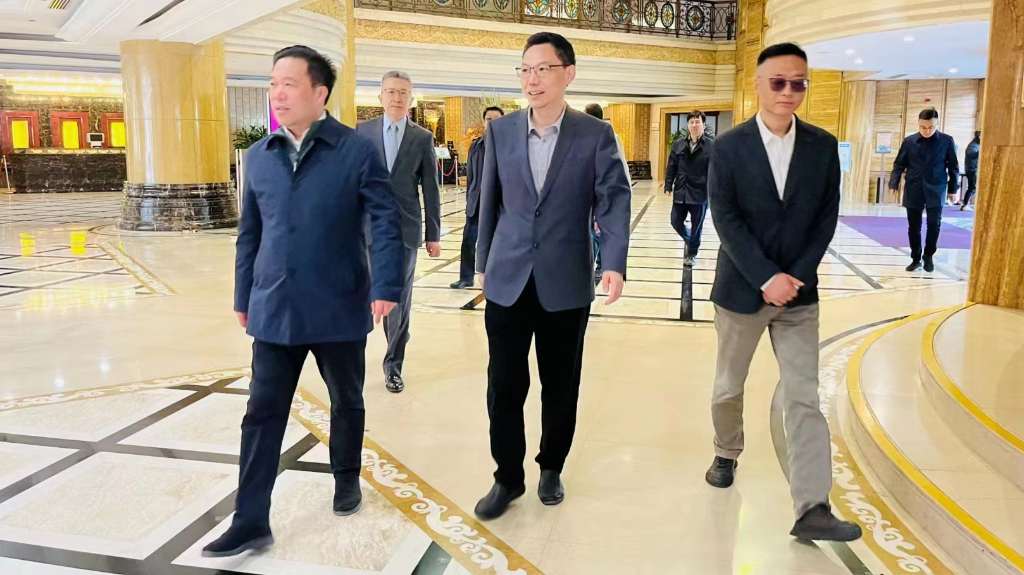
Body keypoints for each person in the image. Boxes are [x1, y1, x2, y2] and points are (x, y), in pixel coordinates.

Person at [203, 45, 404, 558]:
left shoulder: (355, 151)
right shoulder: (260, 156)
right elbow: (250, 234)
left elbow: (386, 220)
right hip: (274, 307)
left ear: (320, 93)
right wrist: (244, 294)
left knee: (347, 400)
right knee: (261, 412)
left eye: (289, 84)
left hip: (339, 302)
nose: (278, 94)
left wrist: (386, 285)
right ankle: (250, 519)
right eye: (273, 84)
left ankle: (346, 477)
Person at [705, 42, 862, 543]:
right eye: (779, 81)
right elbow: (725, 218)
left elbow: (825, 219)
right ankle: (725, 451)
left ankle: (812, 506)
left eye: (799, 83)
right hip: (741, 292)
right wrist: (764, 276)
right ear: (757, 85)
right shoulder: (729, 147)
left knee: (803, 396)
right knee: (728, 387)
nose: (789, 91)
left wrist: (794, 275)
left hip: (798, 295)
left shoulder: (822, 146)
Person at [473, 32, 632, 520]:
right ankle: (507, 477)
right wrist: (480, 264)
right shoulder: (501, 132)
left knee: (560, 384)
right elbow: (489, 202)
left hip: (565, 280)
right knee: (504, 385)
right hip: (507, 278)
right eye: (525, 69)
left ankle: (551, 466)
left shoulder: (595, 134)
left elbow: (613, 198)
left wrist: (614, 262)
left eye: (543, 69)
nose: (532, 79)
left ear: (568, 74)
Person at [357, 70, 442, 393]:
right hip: (366, 229)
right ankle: (357, 358)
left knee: (399, 299)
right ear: (380, 96)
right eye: (391, 91)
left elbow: (431, 189)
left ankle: (393, 365)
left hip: (405, 230)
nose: (396, 97)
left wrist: (433, 234)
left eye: (403, 92)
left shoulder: (422, 138)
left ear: (411, 99)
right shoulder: (362, 132)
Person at [889, 108, 959, 272]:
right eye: (923, 127)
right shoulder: (909, 141)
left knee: (934, 225)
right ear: (919, 124)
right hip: (914, 188)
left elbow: (953, 167)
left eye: (931, 127)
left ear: (937, 124)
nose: (927, 131)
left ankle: (928, 255)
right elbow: (899, 164)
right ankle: (915, 258)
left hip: (937, 188)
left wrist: (953, 189)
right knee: (914, 227)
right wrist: (894, 183)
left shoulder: (946, 141)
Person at [451, 106, 504, 289]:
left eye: (497, 119)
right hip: (477, 200)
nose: (493, 122)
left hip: (498, 202)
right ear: (484, 122)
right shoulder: (476, 145)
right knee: (468, 239)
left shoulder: (508, 145)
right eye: (489, 119)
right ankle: (466, 277)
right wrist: (470, 198)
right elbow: (471, 175)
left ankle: (496, 276)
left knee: (496, 241)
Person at [583, 102, 631, 285]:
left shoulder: (608, 136)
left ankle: (600, 266)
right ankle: (597, 266)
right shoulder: (585, 137)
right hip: (591, 198)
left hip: (601, 197)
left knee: (598, 233)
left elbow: (618, 170)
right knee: (595, 234)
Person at [664, 110, 714, 267]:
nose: (694, 125)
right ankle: (690, 240)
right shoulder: (679, 144)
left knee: (697, 225)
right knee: (675, 221)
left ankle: (692, 253)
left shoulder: (711, 146)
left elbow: (716, 170)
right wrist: (668, 185)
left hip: (700, 193)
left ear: (703, 125)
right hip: (681, 190)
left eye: (697, 122)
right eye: (691, 122)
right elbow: (671, 166)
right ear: (688, 125)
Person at [962, 130, 980, 211]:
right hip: (972, 169)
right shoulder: (973, 146)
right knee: (972, 188)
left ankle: (965, 204)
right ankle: (965, 204)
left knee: (973, 188)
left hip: (974, 169)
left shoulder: (976, 145)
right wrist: (980, 152)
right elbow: (971, 154)